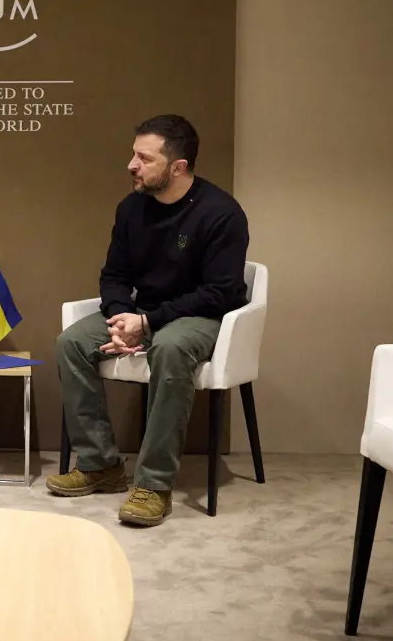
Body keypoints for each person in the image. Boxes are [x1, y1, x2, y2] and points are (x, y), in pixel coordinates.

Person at [48, 114, 249, 526]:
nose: (131, 165)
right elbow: (115, 275)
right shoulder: (131, 209)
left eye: (144, 157)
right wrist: (122, 315)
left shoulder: (221, 213)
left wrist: (148, 322)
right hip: (145, 311)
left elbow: (220, 292)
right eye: (133, 154)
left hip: (201, 315)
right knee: (71, 343)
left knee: (172, 347)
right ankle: (101, 464)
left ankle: (155, 484)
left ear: (178, 167)